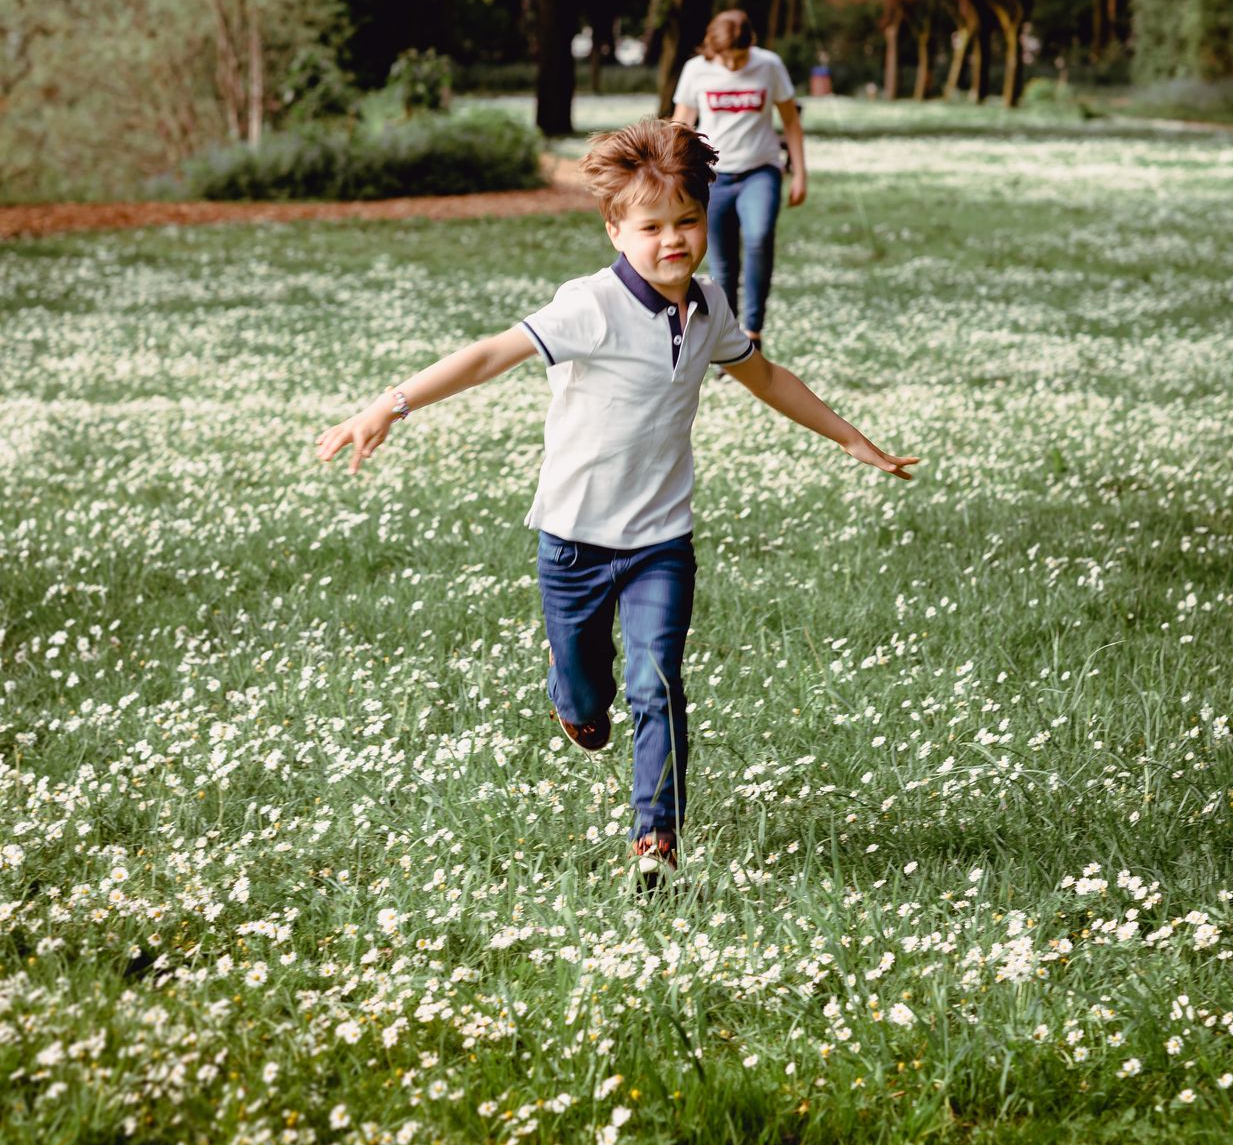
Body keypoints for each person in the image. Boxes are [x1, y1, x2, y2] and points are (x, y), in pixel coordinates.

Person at [315, 120, 917, 884]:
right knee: (588, 694)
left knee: (658, 683)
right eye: (652, 226)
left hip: (661, 543)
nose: (674, 240)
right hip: (572, 543)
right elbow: (488, 356)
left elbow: (765, 377)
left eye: (688, 221)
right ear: (615, 228)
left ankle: (655, 842)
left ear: (707, 218)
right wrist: (388, 406)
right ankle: (574, 699)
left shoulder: (711, 306)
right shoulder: (590, 305)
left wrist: (851, 439)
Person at [672, 9, 805, 354]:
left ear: (752, 45)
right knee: (722, 263)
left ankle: (754, 330)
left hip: (760, 170)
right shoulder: (696, 70)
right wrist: (674, 176)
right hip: (713, 176)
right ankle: (730, 344)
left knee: (759, 237)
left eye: (741, 57)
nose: (733, 65)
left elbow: (790, 120)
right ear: (712, 48)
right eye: (726, 58)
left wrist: (801, 173)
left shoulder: (769, 65)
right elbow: (681, 125)